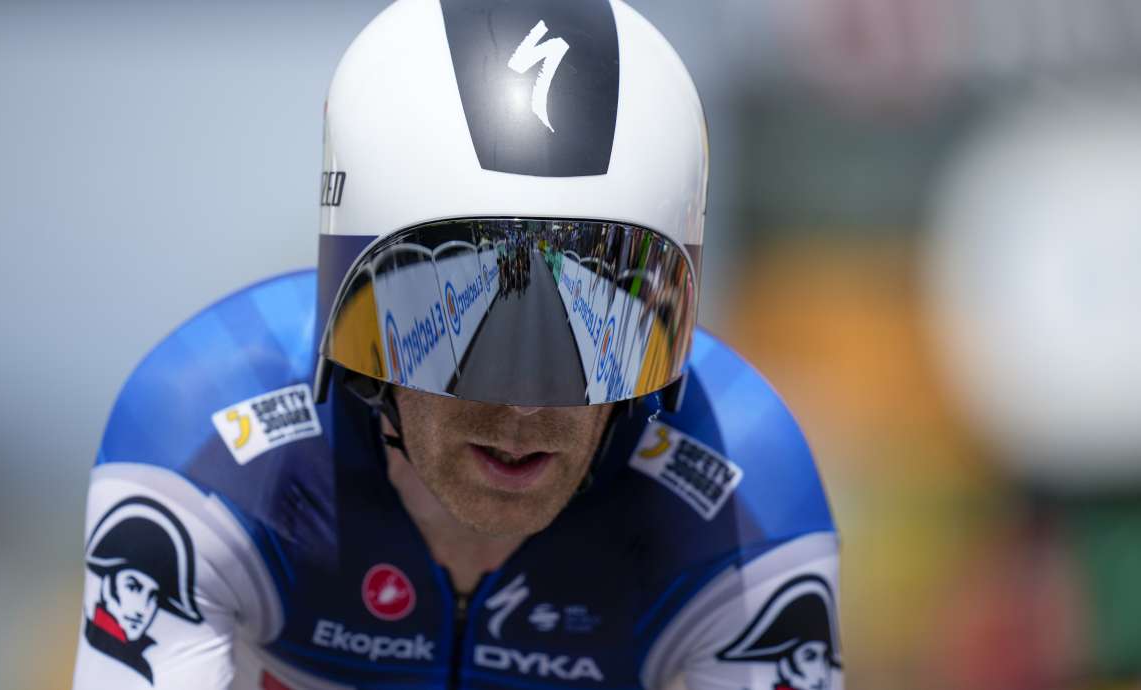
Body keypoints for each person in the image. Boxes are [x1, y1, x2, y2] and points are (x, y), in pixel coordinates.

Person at [71, 1, 841, 688]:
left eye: (597, 334)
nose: (523, 405)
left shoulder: (747, 490)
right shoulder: (204, 440)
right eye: (460, 324)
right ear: (354, 317)